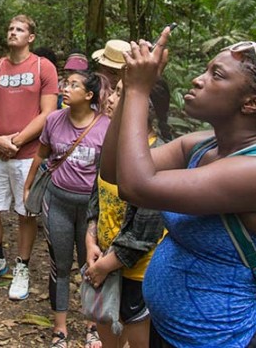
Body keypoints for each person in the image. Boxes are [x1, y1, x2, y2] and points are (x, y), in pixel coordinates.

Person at [101, 31, 256, 347]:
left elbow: (137, 186)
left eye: (216, 75)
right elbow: (114, 172)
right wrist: (127, 89)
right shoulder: (202, 145)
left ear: (252, 102)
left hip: (221, 338)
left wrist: (138, 89)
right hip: (169, 330)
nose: (198, 80)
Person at [0, 14, 59, 300]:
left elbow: (48, 113)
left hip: (27, 154)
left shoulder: (43, 67)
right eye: (10, 28)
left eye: (19, 29)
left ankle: (22, 266)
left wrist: (17, 141)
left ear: (31, 37)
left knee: (25, 213)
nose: (13, 32)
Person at [24, 70, 110, 348]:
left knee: (91, 266)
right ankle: (59, 330)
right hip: (57, 200)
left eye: (74, 85)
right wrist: (28, 188)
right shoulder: (53, 120)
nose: (66, 88)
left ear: (89, 95)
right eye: (66, 83)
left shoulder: (106, 126)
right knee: (60, 266)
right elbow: (41, 155)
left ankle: (91, 326)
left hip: (91, 208)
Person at [84, 78, 169, 348]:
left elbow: (146, 229)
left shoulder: (160, 155)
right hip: (104, 260)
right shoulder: (113, 145)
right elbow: (96, 197)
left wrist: (104, 266)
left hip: (138, 273)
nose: (109, 99)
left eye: (120, 94)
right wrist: (90, 240)